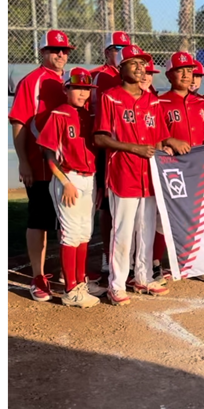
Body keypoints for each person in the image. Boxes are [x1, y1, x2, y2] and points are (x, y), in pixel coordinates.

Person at [94, 45, 191, 306]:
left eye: (142, 64)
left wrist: (168, 147)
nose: (139, 68)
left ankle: (143, 277)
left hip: (148, 174)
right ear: (120, 68)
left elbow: (159, 139)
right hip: (122, 172)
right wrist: (132, 147)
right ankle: (116, 284)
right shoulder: (110, 97)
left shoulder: (152, 100)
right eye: (133, 63)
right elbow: (100, 138)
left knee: (146, 228)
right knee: (123, 231)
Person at [7, 30, 74, 302]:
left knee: (66, 222)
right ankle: (37, 276)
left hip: (67, 168)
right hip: (41, 165)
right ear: (43, 53)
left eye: (64, 50)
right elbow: (18, 122)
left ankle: (66, 273)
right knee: (39, 221)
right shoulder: (31, 81)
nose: (60, 54)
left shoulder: (68, 82)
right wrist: (24, 162)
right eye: (54, 50)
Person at [36, 68, 105, 308]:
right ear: (67, 89)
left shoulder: (88, 116)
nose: (83, 93)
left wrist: (96, 185)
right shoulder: (59, 113)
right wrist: (65, 181)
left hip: (89, 178)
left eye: (86, 89)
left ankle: (79, 282)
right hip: (69, 178)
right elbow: (48, 153)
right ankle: (70, 290)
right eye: (77, 88)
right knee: (71, 233)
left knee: (85, 233)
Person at [156, 52, 204, 282]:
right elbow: (154, 134)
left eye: (189, 70)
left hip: (198, 164)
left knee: (198, 212)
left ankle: (196, 261)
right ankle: (157, 262)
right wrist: (170, 140)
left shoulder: (200, 102)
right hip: (172, 165)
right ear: (169, 74)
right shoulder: (161, 101)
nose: (186, 75)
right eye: (180, 70)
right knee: (167, 216)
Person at [90, 31, 133, 276]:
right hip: (103, 148)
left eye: (125, 48)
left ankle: (129, 255)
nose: (121, 52)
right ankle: (107, 254)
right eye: (117, 48)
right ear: (107, 52)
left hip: (129, 149)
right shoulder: (97, 75)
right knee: (105, 204)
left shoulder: (135, 75)